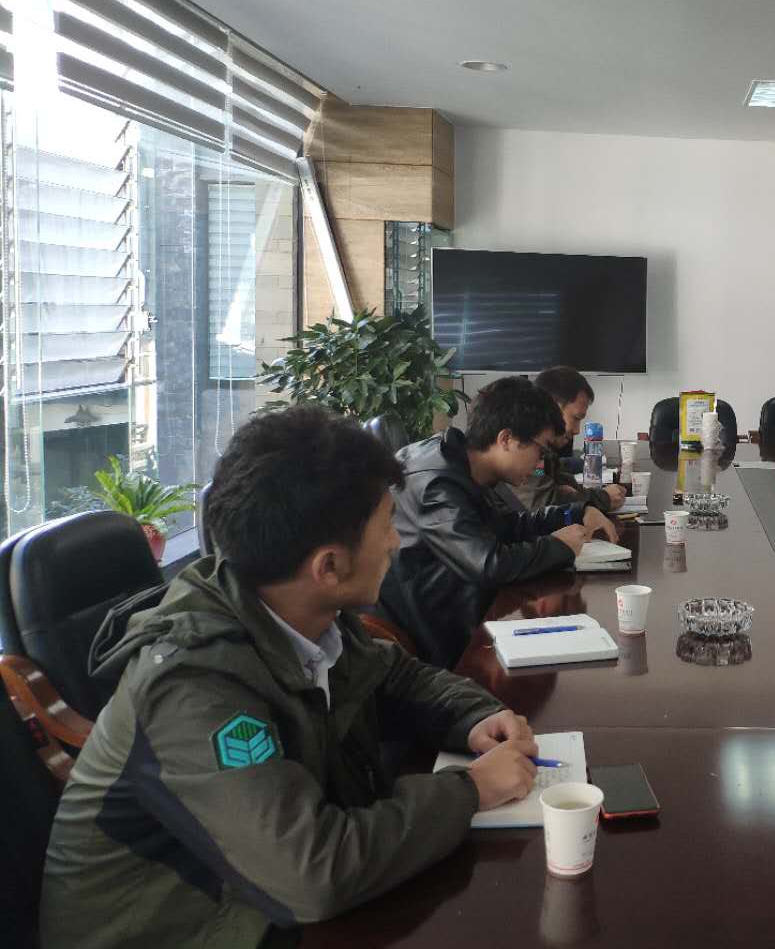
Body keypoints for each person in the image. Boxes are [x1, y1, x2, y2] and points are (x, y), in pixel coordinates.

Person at [41, 407, 541, 948]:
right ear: (328, 566)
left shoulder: (295, 607)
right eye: (386, 526)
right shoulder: (192, 686)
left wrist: (475, 716)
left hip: (259, 902)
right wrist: (470, 790)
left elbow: (394, 675)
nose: (397, 543)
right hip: (193, 929)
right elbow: (312, 874)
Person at [379, 376, 618, 668]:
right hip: (431, 645)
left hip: (457, 613)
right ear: (506, 439)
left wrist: (575, 513)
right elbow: (489, 563)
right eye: (540, 451)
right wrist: (559, 546)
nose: (540, 465)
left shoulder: (466, 465)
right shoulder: (438, 482)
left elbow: (507, 527)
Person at [505, 365, 626, 514]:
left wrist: (567, 492)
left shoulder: (544, 450)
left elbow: (560, 481)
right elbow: (542, 504)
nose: (577, 430)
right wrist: (603, 499)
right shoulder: (523, 445)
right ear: (551, 408)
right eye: (576, 418)